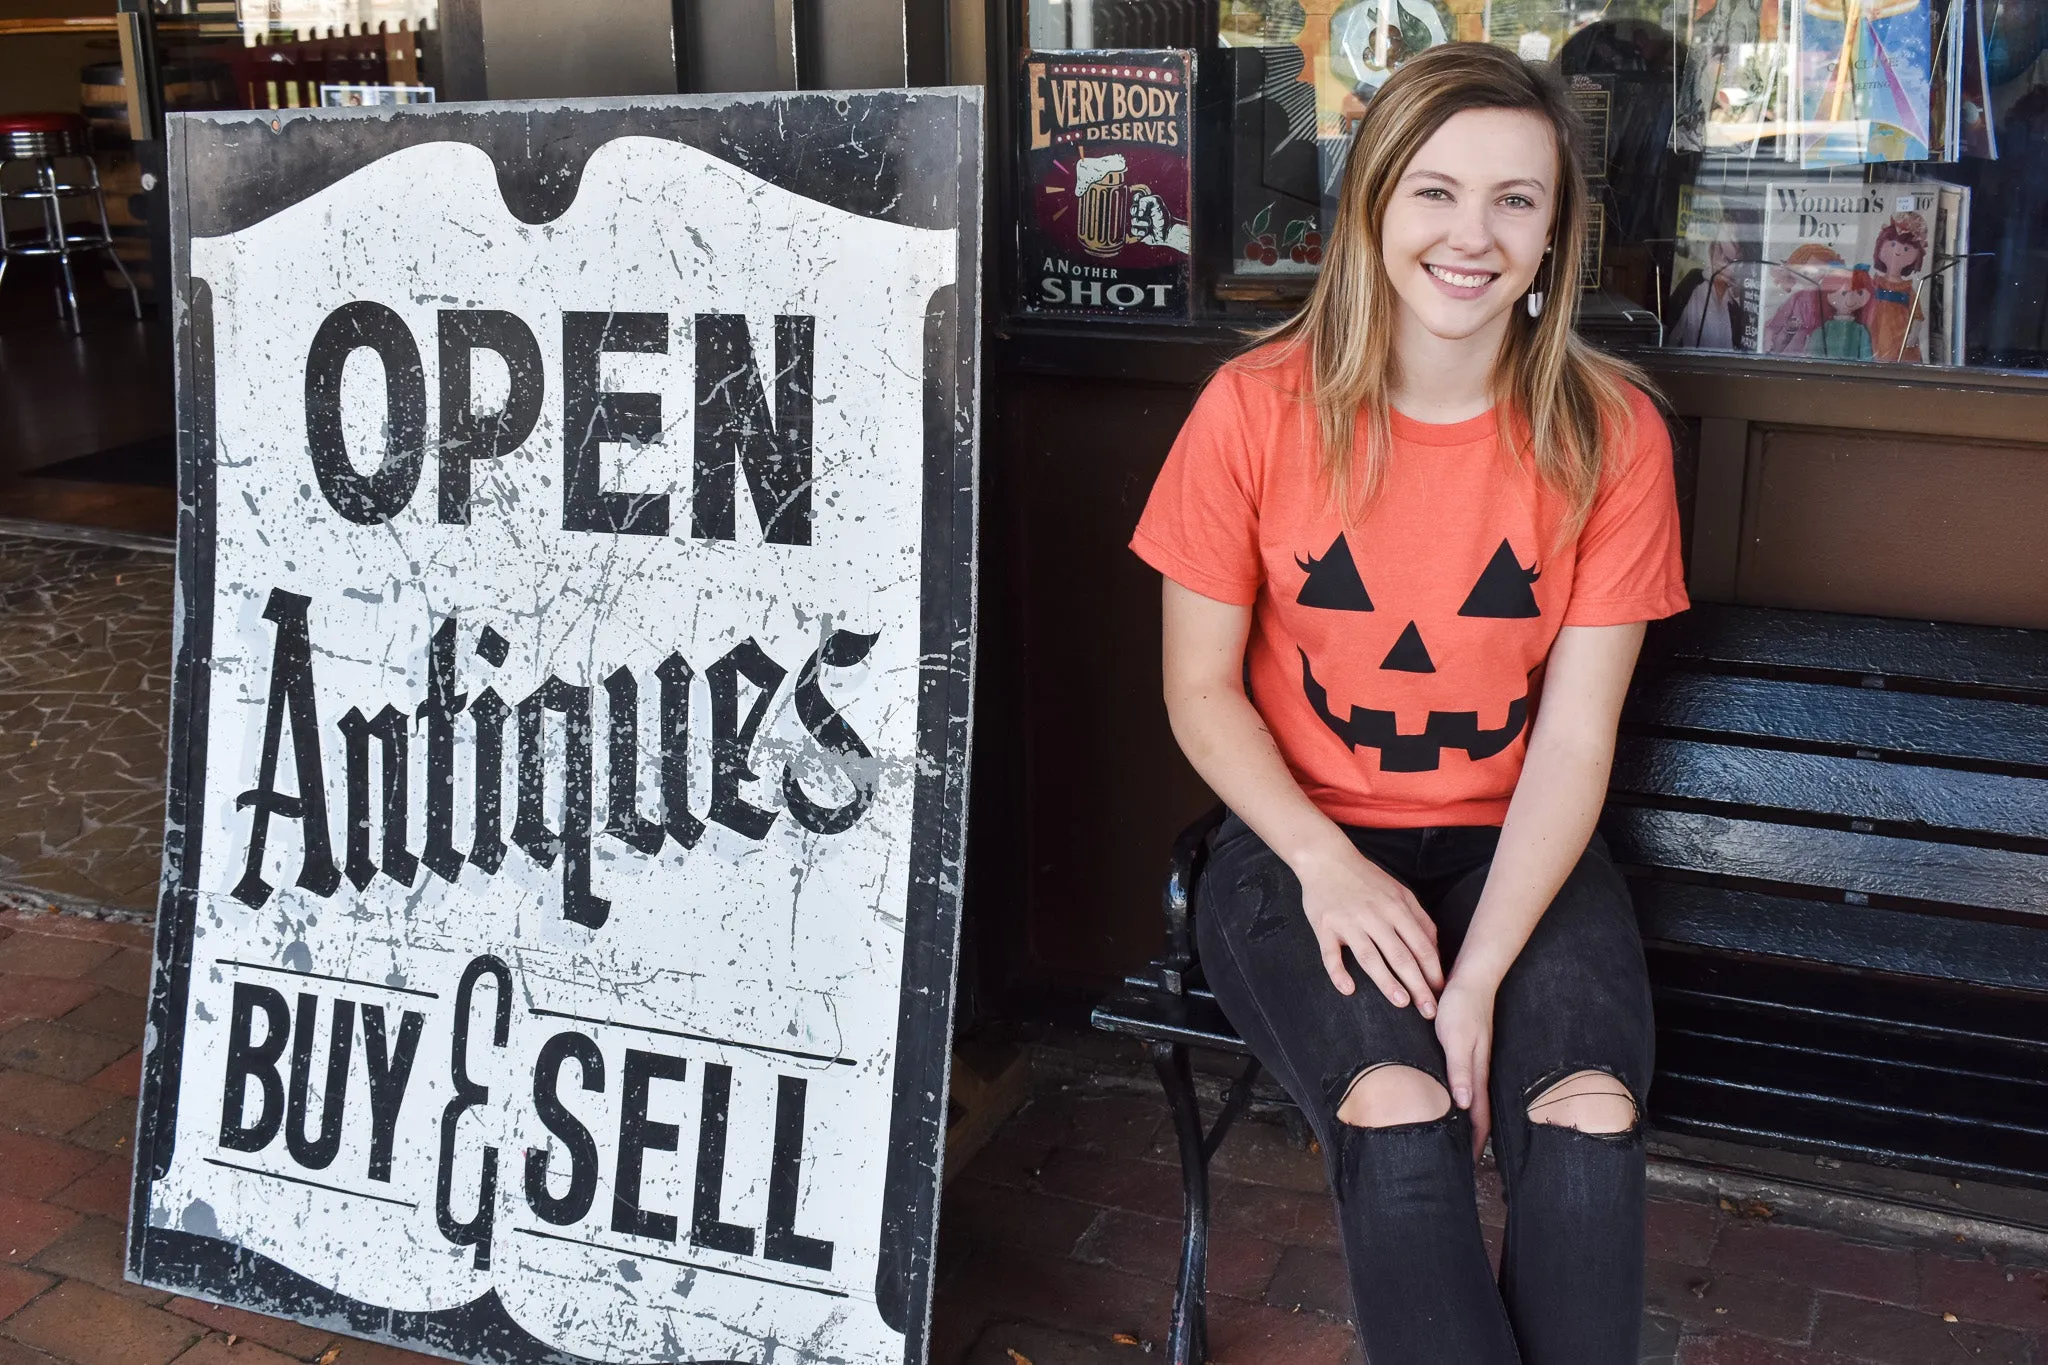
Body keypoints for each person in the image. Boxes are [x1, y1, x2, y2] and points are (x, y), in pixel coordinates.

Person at [1129, 43, 1688, 1364]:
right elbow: (1200, 692)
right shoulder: (1253, 412)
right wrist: (1326, 866)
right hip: (1294, 844)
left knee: (1587, 1114)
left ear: (1556, 234)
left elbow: (1574, 734)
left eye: (1516, 200)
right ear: (1374, 208)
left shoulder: (1613, 437)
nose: (1472, 235)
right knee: (1397, 1104)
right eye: (1435, 192)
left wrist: (1482, 972)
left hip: (1518, 845)